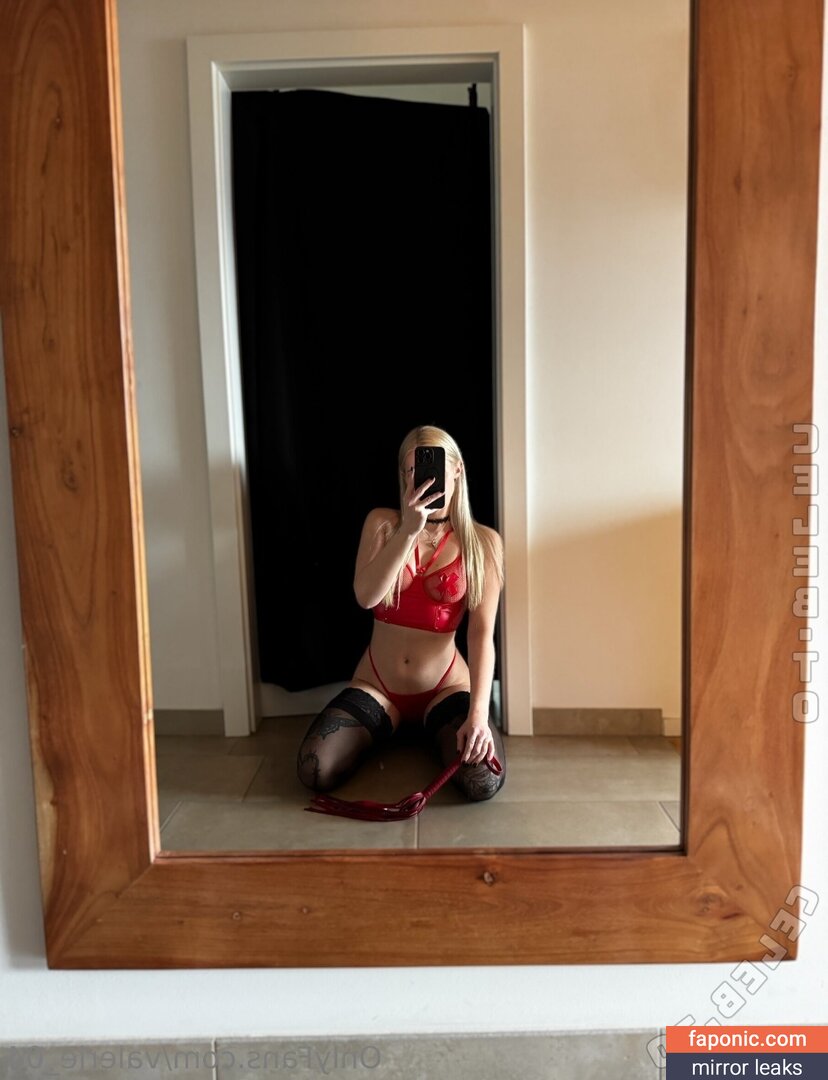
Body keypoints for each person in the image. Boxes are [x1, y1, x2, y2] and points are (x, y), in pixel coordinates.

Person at [296, 425, 507, 803]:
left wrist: (477, 714)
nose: (421, 478)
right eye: (411, 470)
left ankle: (434, 730)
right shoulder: (382, 524)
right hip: (377, 686)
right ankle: (398, 730)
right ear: (403, 475)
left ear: (456, 469)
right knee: (315, 768)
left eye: (431, 467)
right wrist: (409, 531)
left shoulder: (483, 543)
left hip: (445, 687)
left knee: (482, 781)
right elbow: (366, 597)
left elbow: (481, 634)